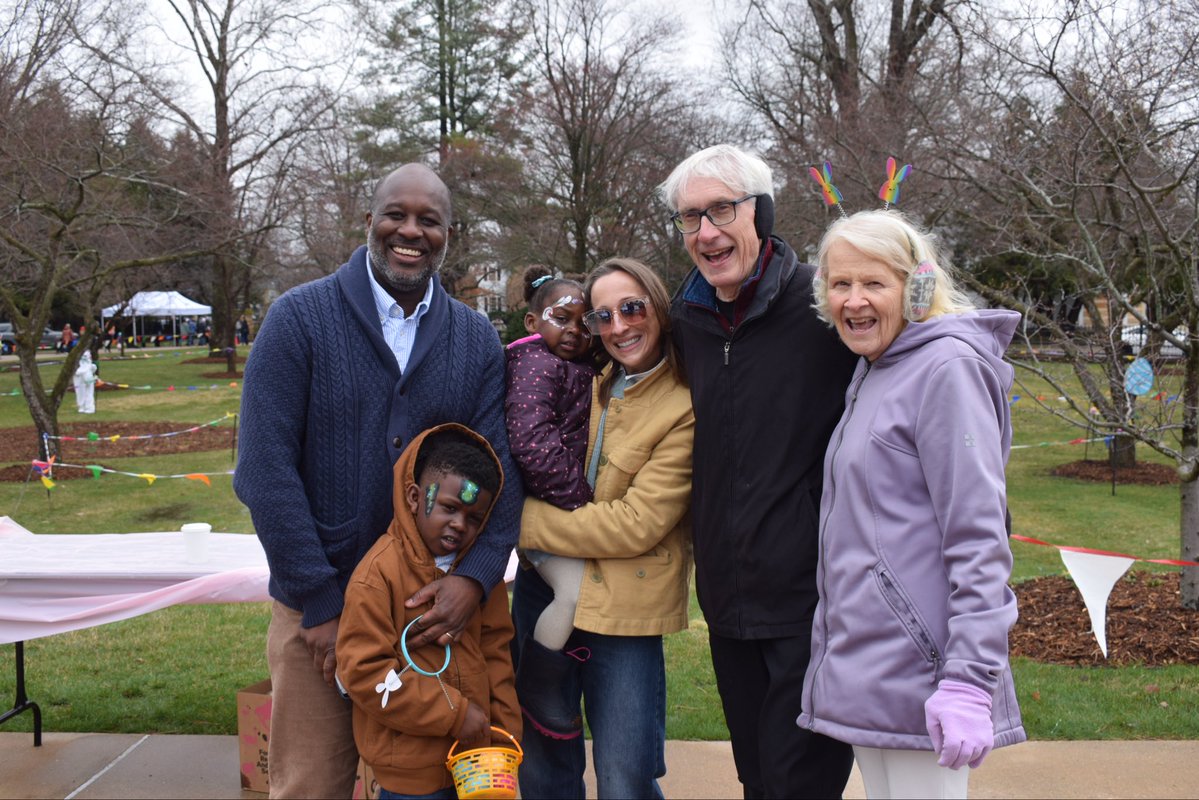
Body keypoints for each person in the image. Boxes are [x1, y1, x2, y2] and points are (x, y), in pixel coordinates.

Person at [234, 162, 523, 799]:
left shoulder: (474, 339)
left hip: (430, 616)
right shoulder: (298, 320)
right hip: (320, 613)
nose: (410, 231)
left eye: (430, 220)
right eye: (396, 214)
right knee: (311, 784)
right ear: (369, 220)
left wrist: (473, 580)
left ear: (451, 232)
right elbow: (264, 470)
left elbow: (497, 475)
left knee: (425, 788)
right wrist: (318, 599)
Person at [798, 209, 1026, 798]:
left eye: (875, 283)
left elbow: (979, 539)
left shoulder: (945, 369)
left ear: (917, 286)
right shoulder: (877, 369)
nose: (854, 300)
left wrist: (969, 683)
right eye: (840, 283)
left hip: (929, 677)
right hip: (870, 673)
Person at [660, 144, 858, 798]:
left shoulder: (822, 307)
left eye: (721, 210)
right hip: (726, 600)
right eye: (690, 218)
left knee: (796, 784)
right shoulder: (685, 320)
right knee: (758, 780)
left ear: (762, 212)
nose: (706, 232)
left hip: (812, 598)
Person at [512, 257, 694, 799]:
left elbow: (635, 526)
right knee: (543, 764)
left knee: (625, 775)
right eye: (601, 316)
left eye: (632, 309)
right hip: (544, 591)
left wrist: (519, 523)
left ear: (658, 309)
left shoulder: (683, 404)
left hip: (625, 610)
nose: (618, 327)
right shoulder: (584, 377)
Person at [336, 424, 522, 800]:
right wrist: (455, 714)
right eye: (450, 508)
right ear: (414, 496)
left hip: (479, 766)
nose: (459, 525)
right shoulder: (377, 577)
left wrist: (505, 730)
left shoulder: (481, 581)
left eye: (474, 518)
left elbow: (497, 653)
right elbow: (363, 671)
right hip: (410, 774)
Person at [504, 265, 597, 739]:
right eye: (563, 318)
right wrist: (581, 501)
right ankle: (538, 682)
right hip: (548, 513)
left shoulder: (578, 365)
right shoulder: (536, 364)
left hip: (561, 511)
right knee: (574, 593)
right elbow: (532, 442)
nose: (575, 331)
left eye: (586, 323)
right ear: (533, 321)